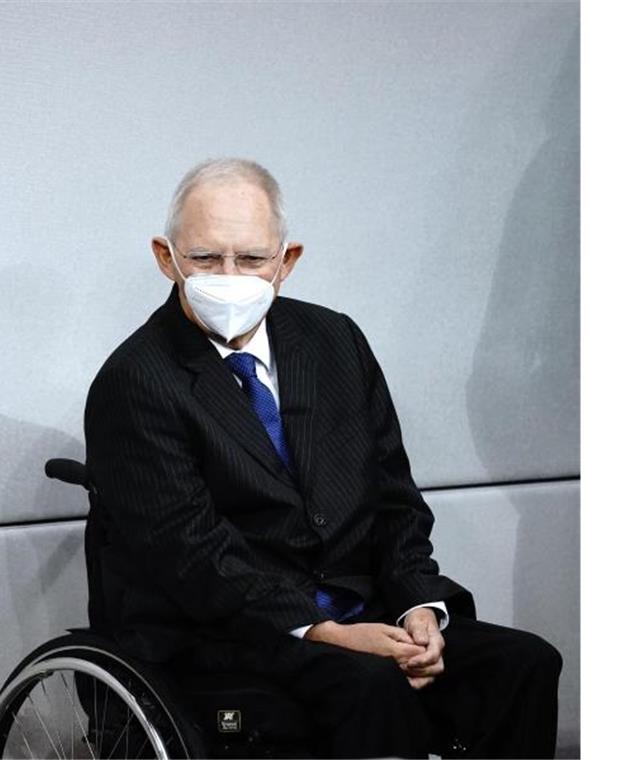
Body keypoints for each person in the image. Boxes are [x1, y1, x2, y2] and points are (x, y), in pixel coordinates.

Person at [82, 158, 562, 758]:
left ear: (287, 262)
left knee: (523, 664)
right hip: (224, 629)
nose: (229, 275)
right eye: (206, 258)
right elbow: (191, 555)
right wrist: (330, 632)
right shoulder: (135, 381)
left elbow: (394, 498)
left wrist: (419, 607)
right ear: (166, 257)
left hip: (365, 605)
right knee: (371, 686)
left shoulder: (334, 342)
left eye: (252, 259)